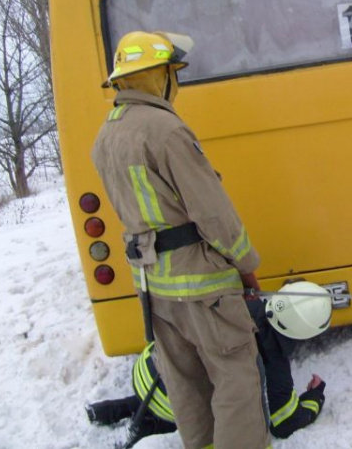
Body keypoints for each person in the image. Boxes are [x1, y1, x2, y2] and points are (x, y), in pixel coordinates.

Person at [91, 31, 270, 449]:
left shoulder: (106, 136)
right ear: (157, 76)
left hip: (153, 287)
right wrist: (247, 266)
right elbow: (213, 212)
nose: (176, 81)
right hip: (201, 284)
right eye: (172, 72)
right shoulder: (165, 130)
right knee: (235, 377)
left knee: (186, 384)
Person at [87, 282, 333, 445]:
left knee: (178, 381)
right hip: (175, 397)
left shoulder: (241, 303)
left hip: (154, 362)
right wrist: (315, 397)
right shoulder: (275, 358)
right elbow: (284, 422)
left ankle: (110, 409)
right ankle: (145, 426)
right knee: (192, 408)